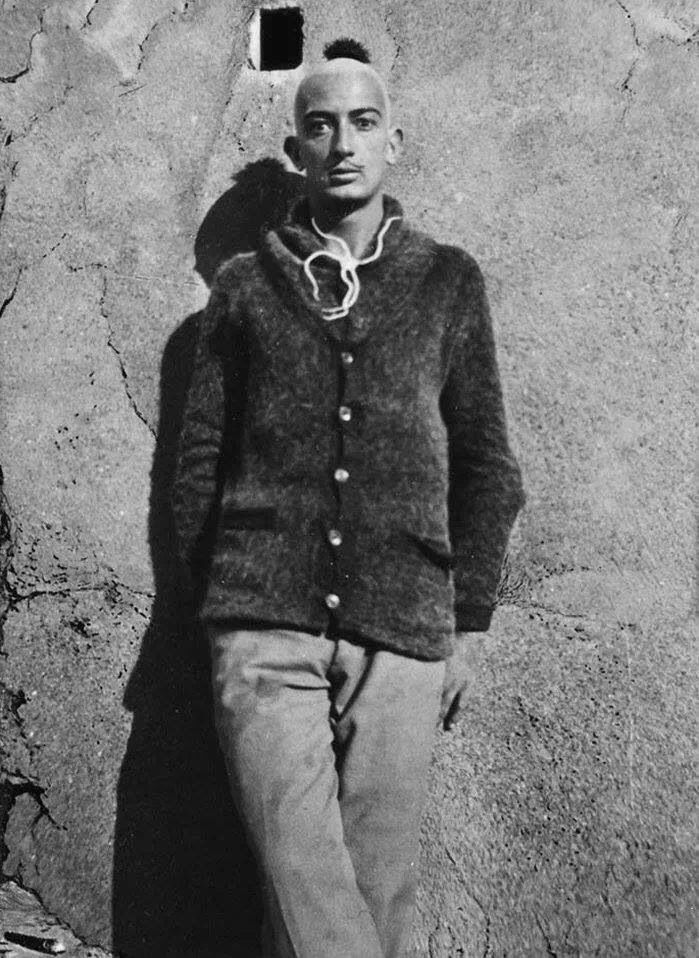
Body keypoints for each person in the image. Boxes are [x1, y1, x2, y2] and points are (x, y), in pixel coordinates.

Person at [171, 38, 524, 958]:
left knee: (373, 892)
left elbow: (488, 466)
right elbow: (198, 463)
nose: (342, 143)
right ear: (295, 152)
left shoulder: (448, 282)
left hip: (404, 629)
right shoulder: (245, 290)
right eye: (319, 126)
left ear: (393, 142)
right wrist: (224, 606)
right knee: (306, 880)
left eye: (362, 124)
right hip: (260, 625)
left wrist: (467, 625)